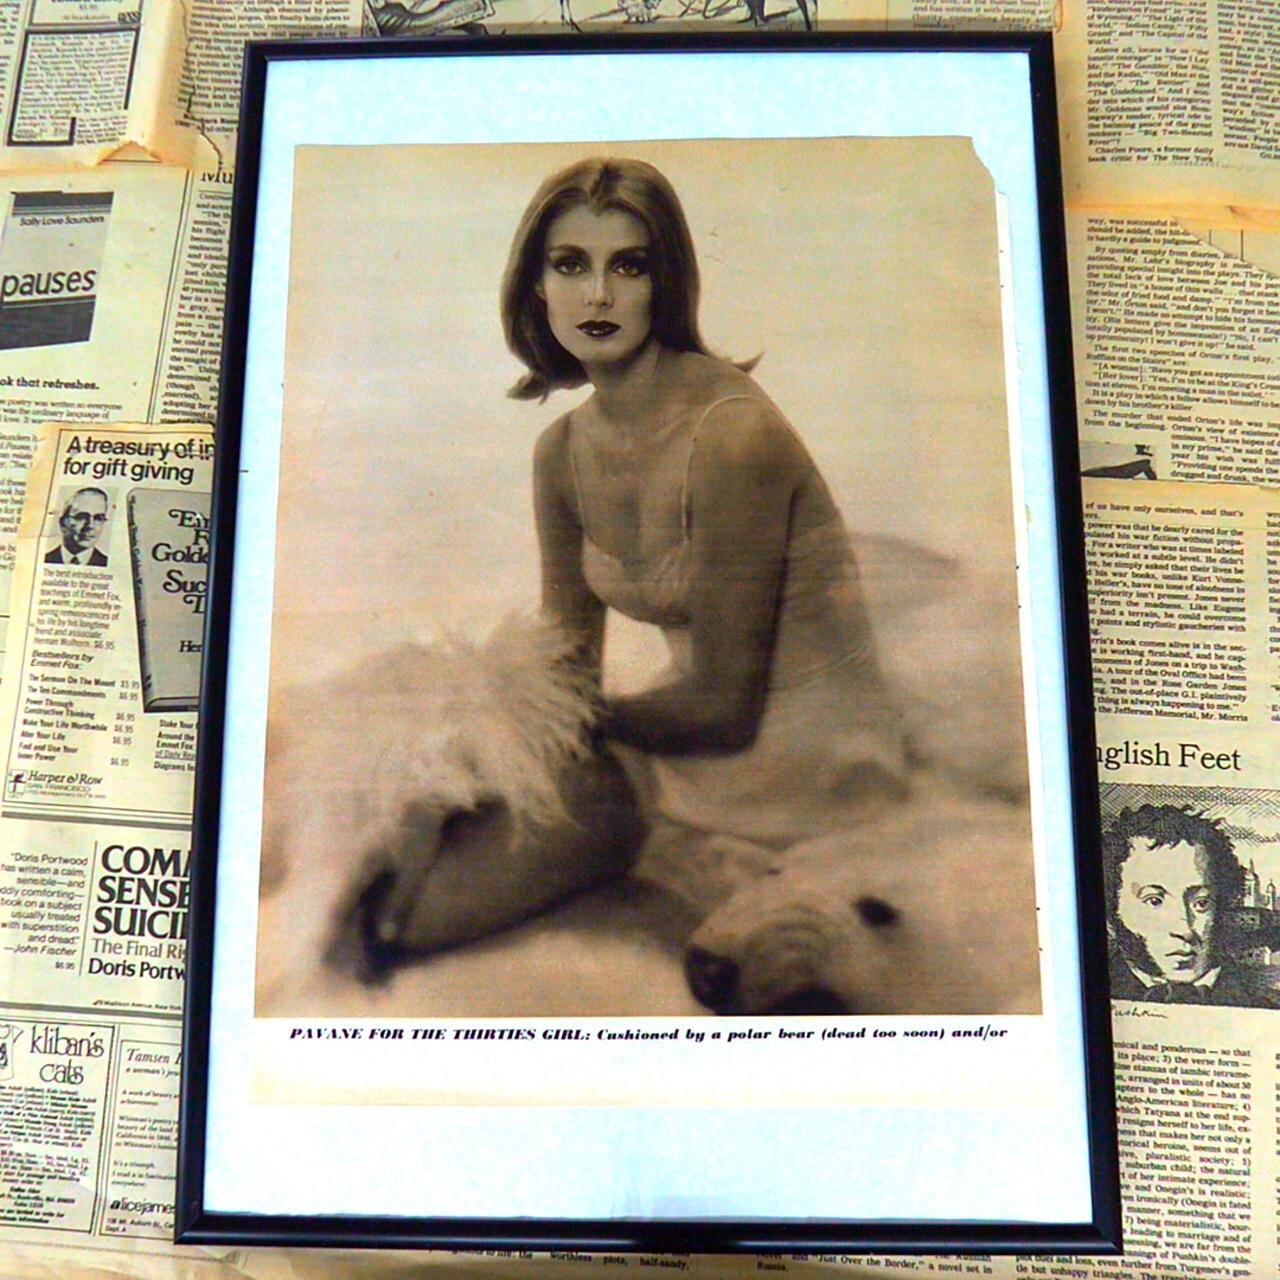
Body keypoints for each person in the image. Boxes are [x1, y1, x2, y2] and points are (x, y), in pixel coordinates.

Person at [504, 156, 907, 896]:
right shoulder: (559, 454)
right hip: (685, 754)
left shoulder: (730, 435)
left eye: (629, 266)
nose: (598, 294)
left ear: (667, 282)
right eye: (570, 265)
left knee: (550, 830)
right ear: (535, 284)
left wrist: (554, 716)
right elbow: (569, 676)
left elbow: (725, 711)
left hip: (813, 782)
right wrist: (502, 719)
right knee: (458, 808)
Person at [1102, 803, 1280, 1007]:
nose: (1184, 929)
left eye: (1201, 903)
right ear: (1111, 913)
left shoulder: (1265, 1005)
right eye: (1155, 901)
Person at [46, 487, 109, 566]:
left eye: (98, 518)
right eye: (82, 517)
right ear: (63, 523)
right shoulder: (45, 560)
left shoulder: (108, 563)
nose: (90, 525)